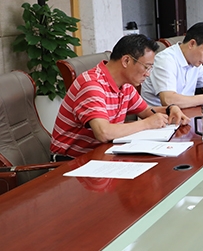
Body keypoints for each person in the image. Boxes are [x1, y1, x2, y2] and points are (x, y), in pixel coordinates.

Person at [51, 34, 190, 158]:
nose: (148, 74)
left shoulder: (126, 85)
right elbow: (103, 132)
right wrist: (147, 124)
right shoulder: (91, 84)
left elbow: (146, 111)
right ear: (126, 61)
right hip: (70, 162)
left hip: (104, 153)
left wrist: (170, 109)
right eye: (146, 67)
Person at [141, 22, 203, 108]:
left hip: (186, 112)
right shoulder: (165, 60)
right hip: (160, 115)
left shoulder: (194, 60)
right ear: (192, 44)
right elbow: (168, 100)